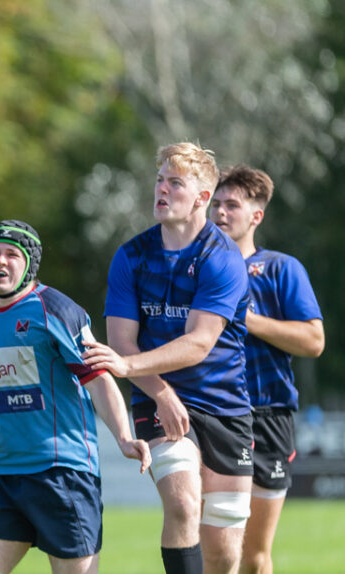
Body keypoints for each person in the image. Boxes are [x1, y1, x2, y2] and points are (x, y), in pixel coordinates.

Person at [0, 220, 150, 574]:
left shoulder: (55, 310)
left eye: (11, 255)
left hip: (61, 474)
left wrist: (125, 437)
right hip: (0, 476)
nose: (0, 262)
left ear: (29, 264)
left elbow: (98, 380)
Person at [82, 143, 253, 574]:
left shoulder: (222, 258)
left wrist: (131, 368)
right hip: (157, 397)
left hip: (224, 404)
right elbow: (122, 343)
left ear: (201, 198)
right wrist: (160, 394)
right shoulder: (131, 256)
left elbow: (198, 343)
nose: (161, 188)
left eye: (175, 182)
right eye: (160, 179)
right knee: (181, 503)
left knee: (224, 554)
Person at [209, 165, 324, 574]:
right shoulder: (195, 271)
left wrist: (248, 319)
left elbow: (314, 342)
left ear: (256, 216)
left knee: (252, 555)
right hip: (211, 415)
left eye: (232, 205)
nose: (220, 213)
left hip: (268, 416)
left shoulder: (280, 269)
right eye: (215, 204)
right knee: (213, 549)